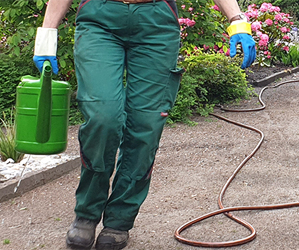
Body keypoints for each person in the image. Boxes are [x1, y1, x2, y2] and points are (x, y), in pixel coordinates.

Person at [32, 0, 256, 249]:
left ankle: (119, 220)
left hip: (156, 23)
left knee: (146, 126)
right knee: (102, 117)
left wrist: (238, 21)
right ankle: (86, 213)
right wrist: (46, 36)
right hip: (100, 19)